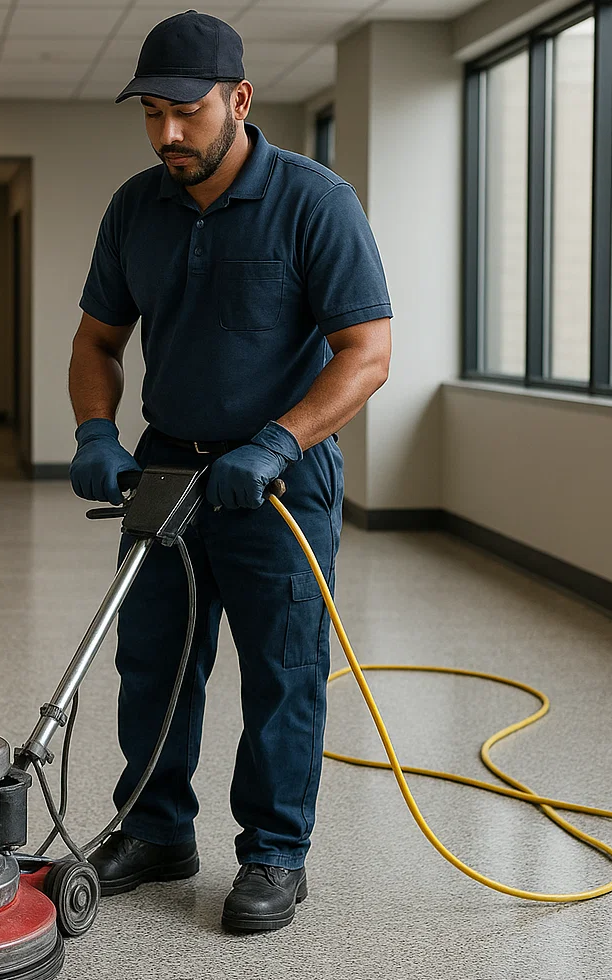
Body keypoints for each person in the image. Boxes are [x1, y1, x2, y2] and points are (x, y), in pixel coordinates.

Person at [68, 9, 392, 933]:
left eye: (186, 111)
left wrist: (280, 440)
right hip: (167, 469)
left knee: (282, 671)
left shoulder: (315, 202)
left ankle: (275, 856)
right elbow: (97, 339)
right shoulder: (137, 207)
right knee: (153, 660)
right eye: (151, 115)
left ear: (238, 99)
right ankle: (158, 828)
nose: (168, 133)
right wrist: (96, 430)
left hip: (276, 480)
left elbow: (366, 352)